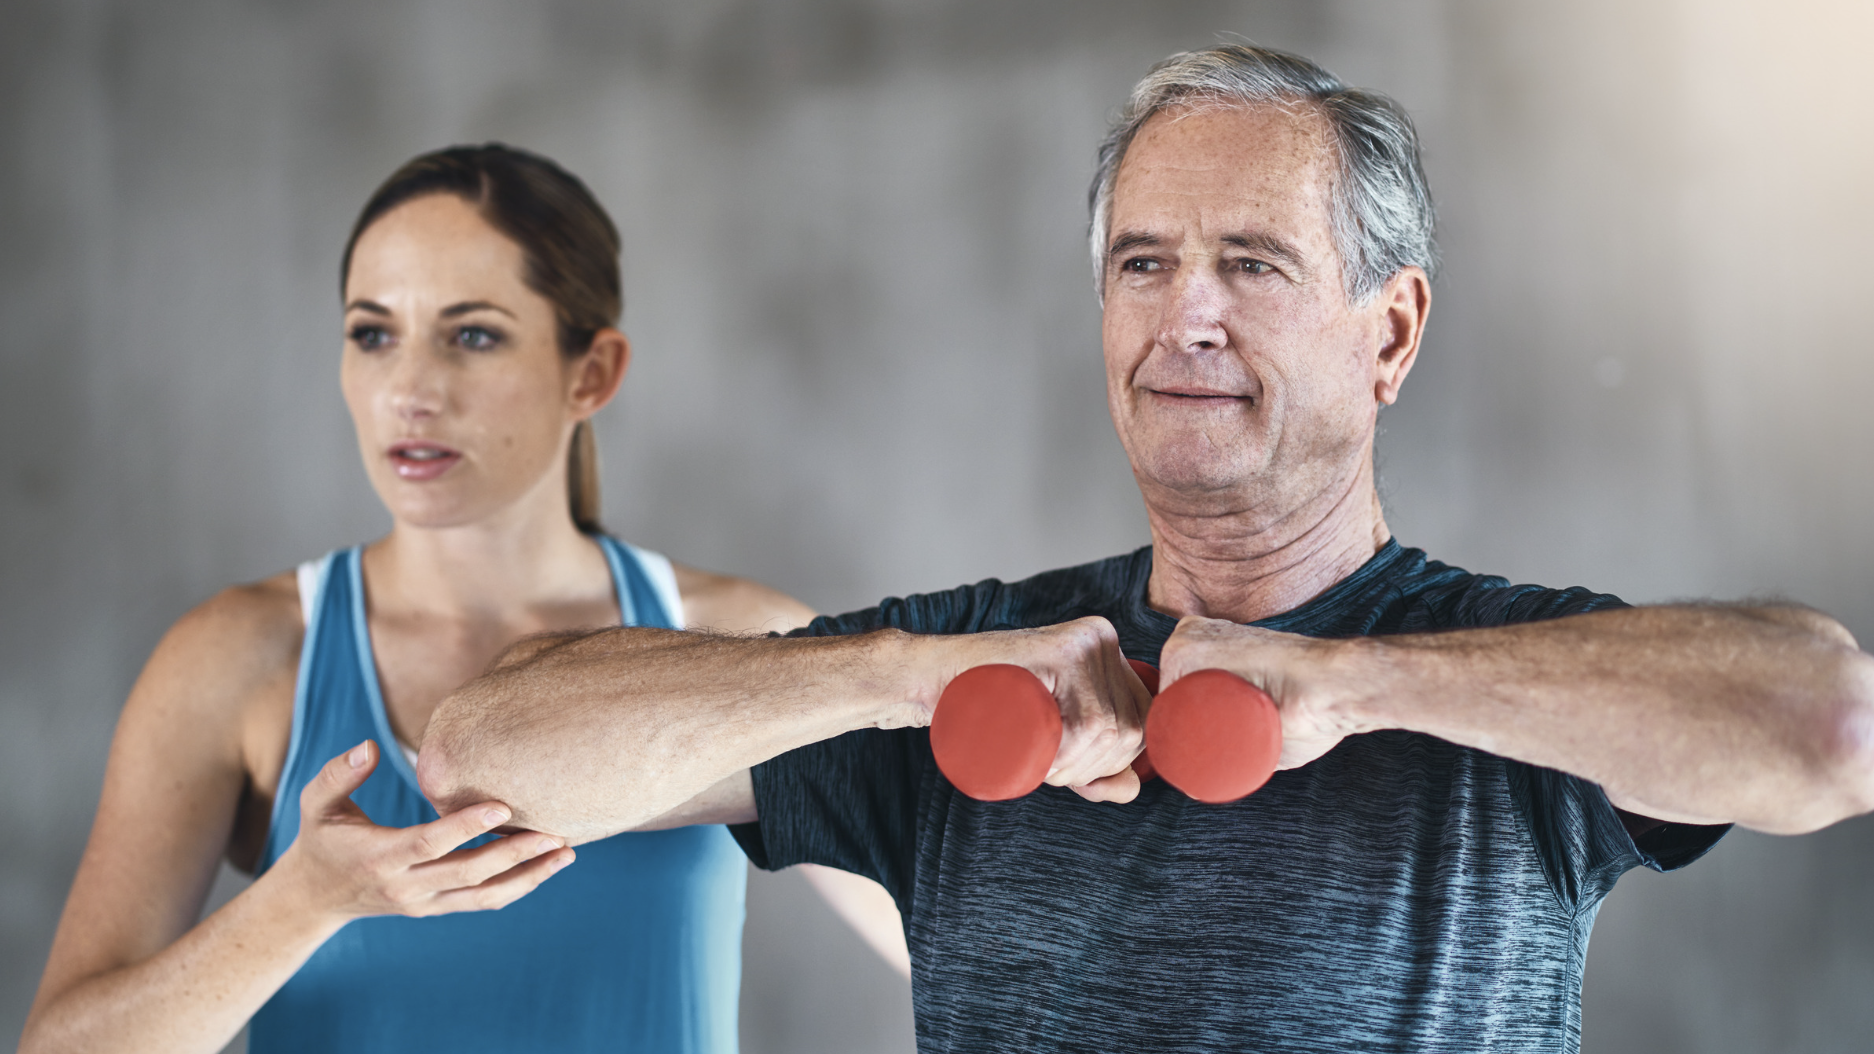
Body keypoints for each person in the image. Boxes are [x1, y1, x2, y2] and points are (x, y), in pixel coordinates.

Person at [414, 46, 1874, 1054]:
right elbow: (485, 751)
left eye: (1250, 263)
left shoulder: (1506, 668)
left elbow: (1826, 725)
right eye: (1142, 263)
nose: (1185, 316)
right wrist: (905, 674)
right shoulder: (975, 657)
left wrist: (1349, 687)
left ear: (1391, 332)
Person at [20, 144, 906, 1054]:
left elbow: (963, 932)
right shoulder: (241, 660)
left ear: (590, 373)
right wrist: (303, 902)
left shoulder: (742, 639)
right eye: (373, 334)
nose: (408, 390)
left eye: (471, 335)